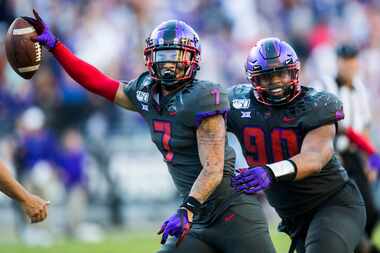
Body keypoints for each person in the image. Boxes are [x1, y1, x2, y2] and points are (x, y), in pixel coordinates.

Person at [23, 10, 276, 253]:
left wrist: (186, 209)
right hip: (197, 216)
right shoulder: (145, 91)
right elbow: (97, 82)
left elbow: (213, 168)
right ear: (150, 57)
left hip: (231, 212)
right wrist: (56, 47)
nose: (168, 64)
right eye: (162, 55)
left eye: (176, 56)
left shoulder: (204, 97)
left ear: (192, 59)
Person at [228, 37, 366, 253]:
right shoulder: (237, 102)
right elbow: (201, 123)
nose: (275, 83)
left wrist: (269, 171)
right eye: (266, 77)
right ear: (253, 79)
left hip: (333, 204)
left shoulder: (317, 104)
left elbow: (314, 158)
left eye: (281, 73)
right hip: (294, 218)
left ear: (294, 72)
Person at [313, 43, 380, 253]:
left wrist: (371, 163)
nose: (350, 66)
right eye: (346, 62)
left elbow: (365, 127)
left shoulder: (359, 89)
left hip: (354, 155)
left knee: (370, 209)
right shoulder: (323, 85)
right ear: (338, 63)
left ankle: (363, 246)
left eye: (353, 62)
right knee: (343, 207)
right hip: (333, 156)